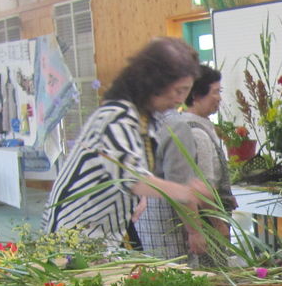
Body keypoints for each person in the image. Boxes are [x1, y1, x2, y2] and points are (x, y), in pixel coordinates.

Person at [41, 37, 209, 244]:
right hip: (74, 235)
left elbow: (130, 169)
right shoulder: (117, 117)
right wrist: (186, 192)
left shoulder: (142, 119)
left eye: (185, 91)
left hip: (101, 233)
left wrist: (140, 198)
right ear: (155, 82)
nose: (180, 100)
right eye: (178, 90)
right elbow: (132, 179)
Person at [134, 66, 238, 266]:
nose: (219, 98)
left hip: (154, 222)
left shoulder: (151, 122)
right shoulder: (185, 129)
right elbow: (196, 186)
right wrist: (211, 226)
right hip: (179, 224)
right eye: (215, 92)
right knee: (195, 275)